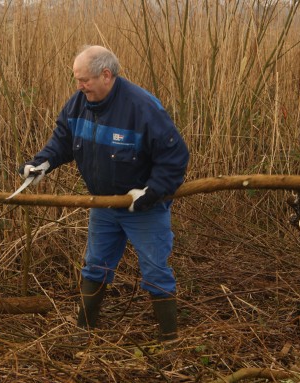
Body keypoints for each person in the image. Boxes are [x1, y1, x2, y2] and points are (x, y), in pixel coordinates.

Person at [18, 45, 189, 342]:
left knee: (155, 270)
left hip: (143, 208)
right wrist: (40, 163)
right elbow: (62, 141)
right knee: (95, 265)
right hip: (103, 205)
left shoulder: (142, 108)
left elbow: (175, 157)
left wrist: (152, 192)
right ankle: (85, 330)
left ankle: (169, 338)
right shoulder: (78, 104)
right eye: (76, 79)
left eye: (83, 80)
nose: (79, 86)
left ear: (106, 75)